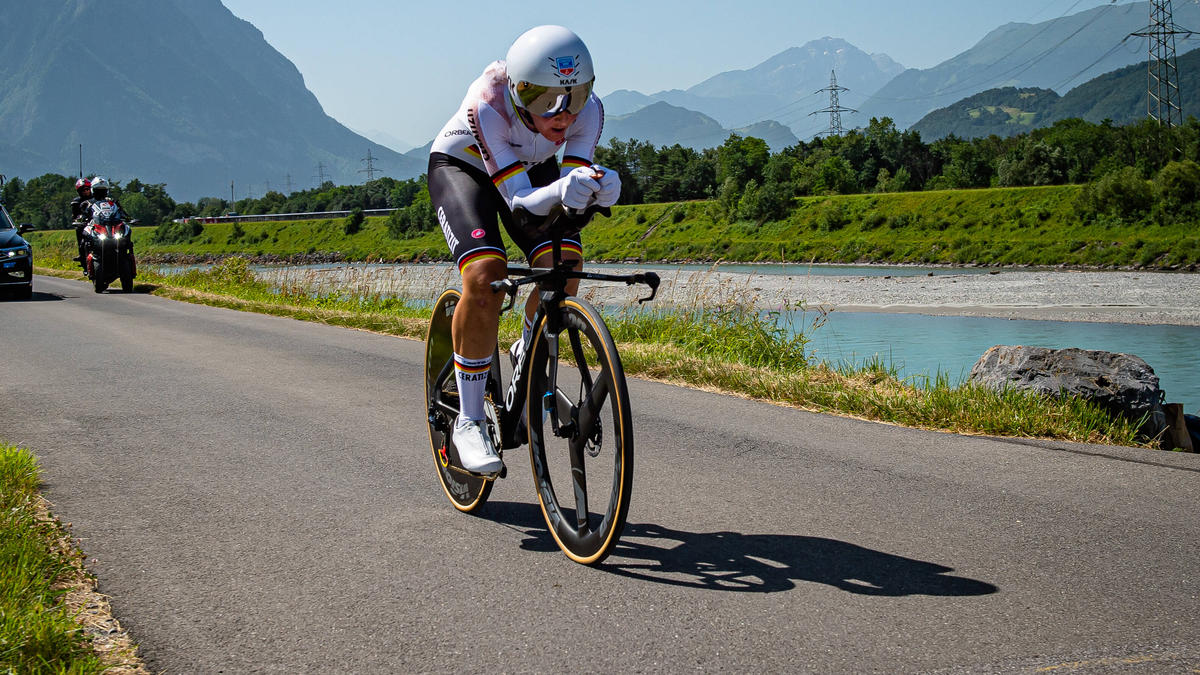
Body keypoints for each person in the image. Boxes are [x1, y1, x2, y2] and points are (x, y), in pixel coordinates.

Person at [428, 25, 621, 474]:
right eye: (547, 101)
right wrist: (563, 187)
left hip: (529, 170)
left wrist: (597, 188)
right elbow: (518, 205)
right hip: (465, 168)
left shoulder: (588, 112)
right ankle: (470, 421)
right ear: (518, 93)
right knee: (484, 276)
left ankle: (527, 344)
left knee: (566, 266)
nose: (564, 115)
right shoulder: (488, 105)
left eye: (574, 97)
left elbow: (568, 185)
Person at [70, 178, 92, 264]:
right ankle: (82, 254)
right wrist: (78, 219)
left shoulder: (97, 198)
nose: (86, 191)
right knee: (79, 229)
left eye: (87, 189)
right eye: (83, 190)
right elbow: (75, 215)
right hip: (85, 223)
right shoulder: (77, 202)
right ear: (79, 192)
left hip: (98, 222)